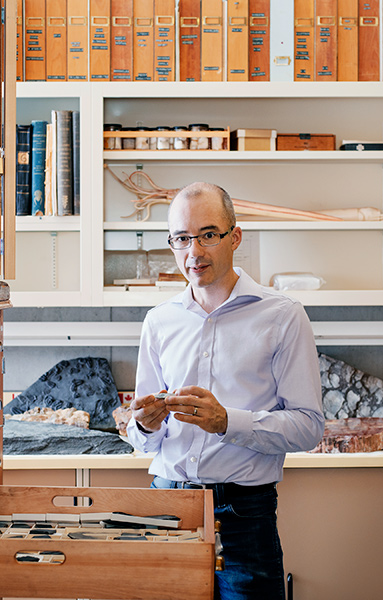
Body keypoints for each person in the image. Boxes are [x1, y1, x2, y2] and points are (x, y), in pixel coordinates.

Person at [127, 182, 324, 600]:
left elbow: (309, 427)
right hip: (169, 509)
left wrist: (226, 421)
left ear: (235, 237)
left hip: (244, 513)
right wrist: (143, 425)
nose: (193, 252)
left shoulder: (282, 316)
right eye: (181, 238)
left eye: (208, 235)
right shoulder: (159, 321)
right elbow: (142, 438)